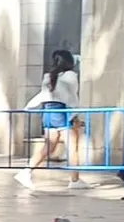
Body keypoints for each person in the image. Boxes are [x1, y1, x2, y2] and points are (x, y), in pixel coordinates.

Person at [17, 50, 86, 190]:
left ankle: (26, 171)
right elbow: (72, 98)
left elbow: (43, 95)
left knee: (49, 147)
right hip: (62, 112)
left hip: (48, 112)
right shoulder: (70, 76)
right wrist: (74, 115)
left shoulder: (49, 76)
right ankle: (75, 180)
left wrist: (29, 106)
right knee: (72, 148)